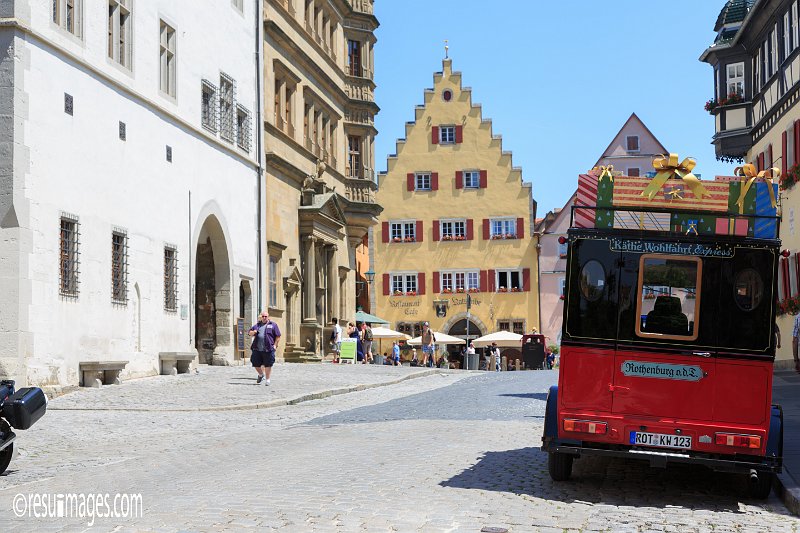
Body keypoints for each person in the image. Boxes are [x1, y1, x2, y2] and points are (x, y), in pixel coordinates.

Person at [248, 310, 281, 385]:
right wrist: (253, 332)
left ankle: (268, 379)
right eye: (263, 316)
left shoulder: (273, 325)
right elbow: (249, 333)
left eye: (265, 316)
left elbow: (278, 336)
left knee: (268, 364)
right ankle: (261, 374)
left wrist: (275, 345)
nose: (264, 317)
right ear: (261, 317)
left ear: (268, 317)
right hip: (257, 348)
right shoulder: (257, 325)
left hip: (268, 348)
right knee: (255, 362)